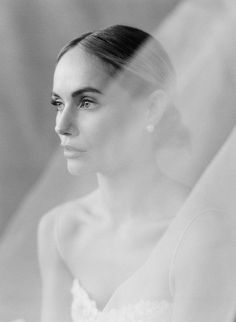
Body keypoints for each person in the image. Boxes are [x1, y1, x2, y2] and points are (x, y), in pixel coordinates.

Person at [37, 25, 235, 322]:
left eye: (86, 102)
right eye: (58, 103)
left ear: (152, 107)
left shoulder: (199, 237)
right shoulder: (60, 230)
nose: (61, 125)